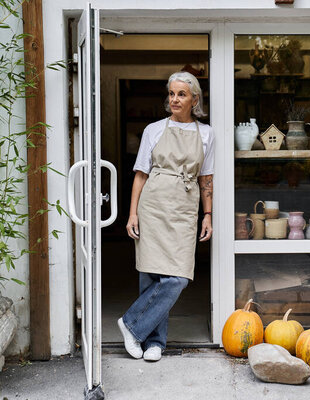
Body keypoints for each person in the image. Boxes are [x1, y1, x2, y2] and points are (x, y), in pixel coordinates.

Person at [118, 71, 214, 362]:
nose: (174, 99)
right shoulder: (154, 130)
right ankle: (154, 343)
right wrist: (132, 213)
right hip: (154, 204)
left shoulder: (207, 134)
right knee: (150, 273)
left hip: (185, 209)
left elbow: (206, 178)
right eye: (171, 94)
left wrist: (207, 215)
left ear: (194, 99)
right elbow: (140, 174)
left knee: (178, 277)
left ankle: (131, 325)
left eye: (181, 94)